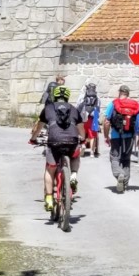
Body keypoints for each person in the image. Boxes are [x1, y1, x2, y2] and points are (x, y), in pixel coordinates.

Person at [29, 84, 84, 214]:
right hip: (72, 140)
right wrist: (83, 138)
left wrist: (33, 138)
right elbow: (81, 129)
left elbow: (39, 127)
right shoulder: (74, 109)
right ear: (67, 96)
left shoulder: (48, 108)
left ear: (55, 96)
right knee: (75, 156)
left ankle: (49, 198)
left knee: (50, 168)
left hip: (54, 141)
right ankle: (73, 175)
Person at [102, 84, 139, 194]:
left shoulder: (114, 104)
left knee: (115, 158)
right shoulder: (135, 105)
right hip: (130, 136)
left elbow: (106, 122)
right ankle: (125, 183)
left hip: (116, 136)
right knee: (126, 159)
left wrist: (106, 136)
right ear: (128, 94)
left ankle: (119, 174)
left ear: (119, 92)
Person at [79, 82, 102, 157]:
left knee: (82, 134)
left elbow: (78, 106)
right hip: (93, 118)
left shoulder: (82, 97)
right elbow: (98, 109)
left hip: (83, 118)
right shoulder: (97, 98)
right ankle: (92, 152)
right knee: (93, 136)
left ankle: (83, 145)